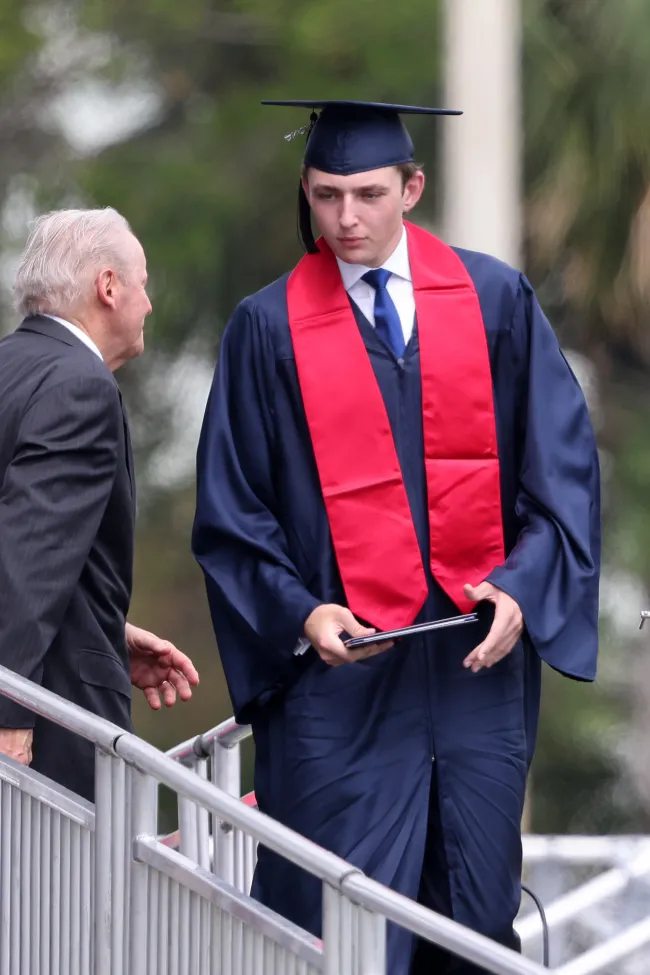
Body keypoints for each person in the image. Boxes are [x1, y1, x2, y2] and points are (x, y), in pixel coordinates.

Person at [192, 100, 600, 974]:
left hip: (470, 674)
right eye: (327, 194)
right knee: (333, 929)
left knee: (473, 916)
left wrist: (523, 588)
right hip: (339, 689)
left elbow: (560, 472)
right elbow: (233, 514)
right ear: (305, 191)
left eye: (369, 193)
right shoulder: (266, 330)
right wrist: (300, 615)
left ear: (412, 188)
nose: (346, 218)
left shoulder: (493, 300)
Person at [0, 207, 199, 803]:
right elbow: (28, 556)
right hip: (44, 726)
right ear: (108, 287)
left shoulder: (10, 366)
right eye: (142, 282)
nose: (149, 302)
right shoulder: (80, 385)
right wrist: (11, 709)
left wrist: (104, 630)